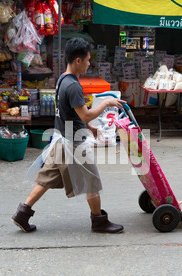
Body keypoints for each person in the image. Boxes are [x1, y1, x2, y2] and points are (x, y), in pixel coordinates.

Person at [12, 37, 126, 233]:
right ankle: (99, 221)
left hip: (61, 139)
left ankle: (22, 214)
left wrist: (89, 127)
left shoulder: (62, 80)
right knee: (92, 180)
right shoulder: (73, 86)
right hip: (73, 144)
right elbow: (85, 113)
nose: (89, 64)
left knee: (47, 178)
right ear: (78, 61)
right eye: (88, 60)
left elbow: (70, 113)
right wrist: (106, 102)